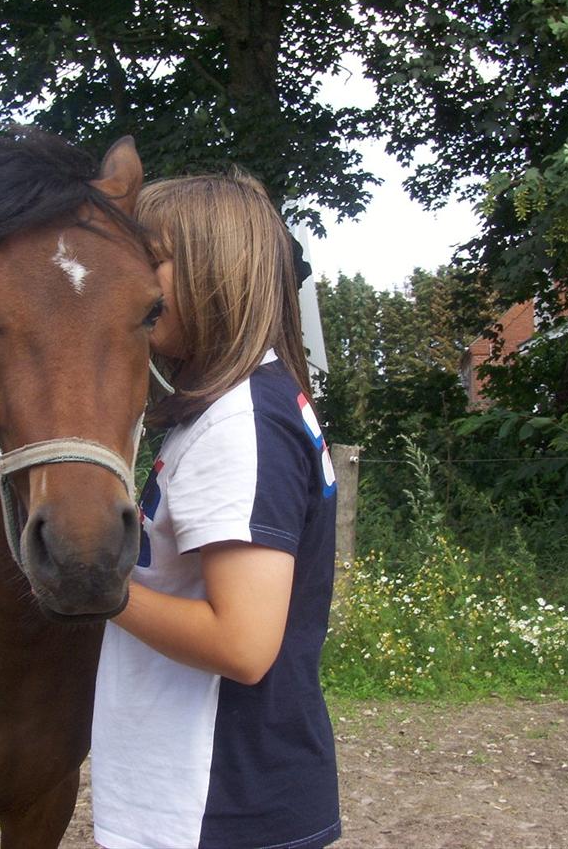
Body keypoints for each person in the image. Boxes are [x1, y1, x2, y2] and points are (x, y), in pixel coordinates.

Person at [91, 170, 341, 849]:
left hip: (218, 808)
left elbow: (242, 644)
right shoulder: (234, 407)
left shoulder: (240, 424)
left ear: (214, 271)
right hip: (217, 803)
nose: (135, 274)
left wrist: (100, 593)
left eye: (156, 257)